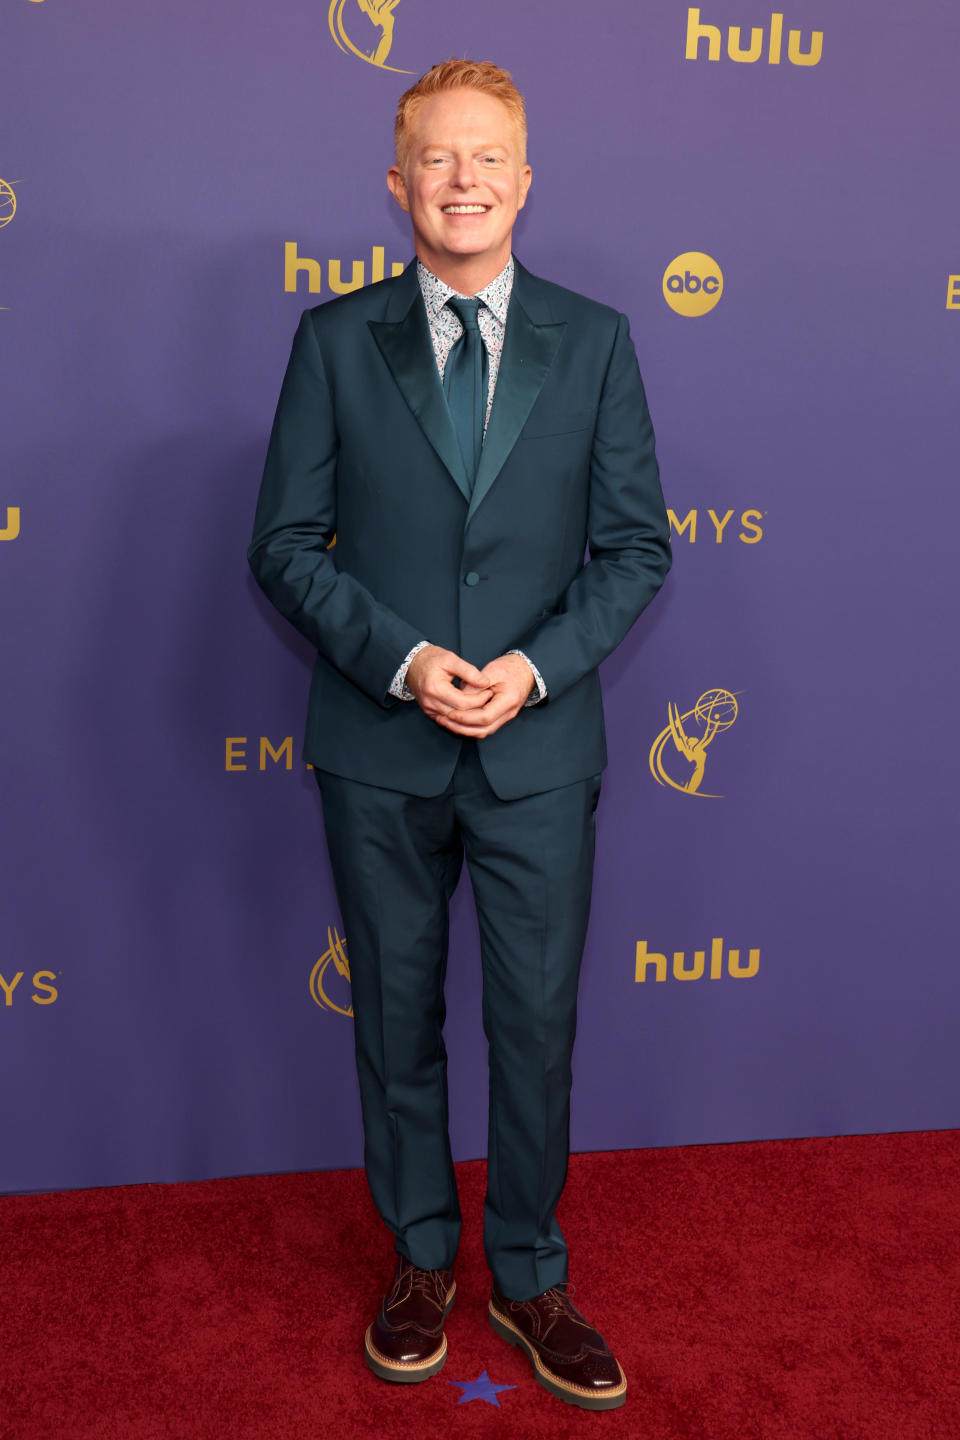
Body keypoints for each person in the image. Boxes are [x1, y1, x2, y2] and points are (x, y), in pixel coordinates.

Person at [248, 59, 671, 1412]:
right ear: (397, 183)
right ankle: (423, 1257)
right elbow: (282, 547)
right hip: (380, 747)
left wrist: (532, 672)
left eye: (489, 156)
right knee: (397, 1017)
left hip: (539, 753)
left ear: (526, 178)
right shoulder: (332, 340)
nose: (466, 178)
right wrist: (409, 658)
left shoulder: (597, 341)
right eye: (438, 157)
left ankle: (531, 1276)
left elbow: (634, 549)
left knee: (536, 1023)